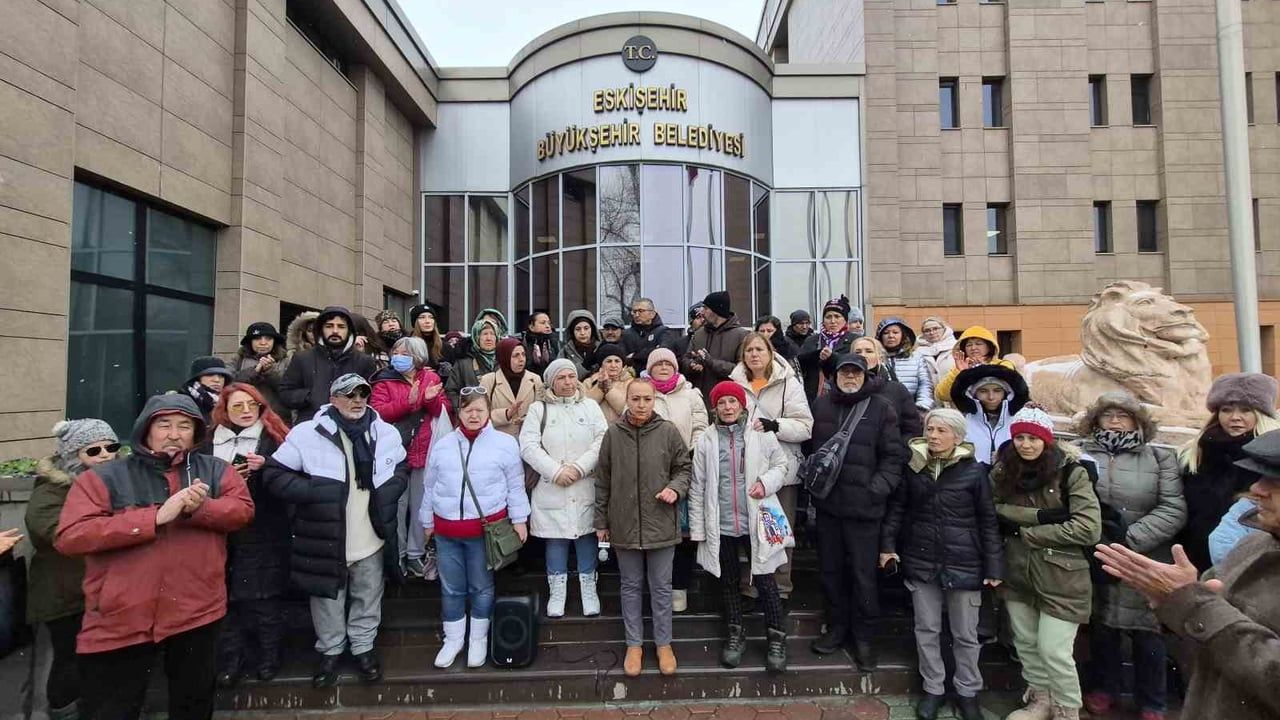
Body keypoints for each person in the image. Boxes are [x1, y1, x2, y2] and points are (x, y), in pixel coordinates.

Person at [55, 394, 253, 720]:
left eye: (184, 426)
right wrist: (154, 518)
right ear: (146, 429)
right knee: (112, 708)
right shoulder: (104, 477)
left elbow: (242, 511)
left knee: (193, 704)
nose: (174, 434)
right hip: (120, 618)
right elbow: (71, 536)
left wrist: (199, 508)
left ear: (196, 432)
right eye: (164, 425)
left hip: (197, 611)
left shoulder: (216, 471)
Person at [1094, 429, 1280, 720]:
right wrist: (1172, 599)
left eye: (1275, 481)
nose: (1257, 489)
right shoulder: (1255, 542)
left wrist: (1197, 606)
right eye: (1260, 476)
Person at [263, 374, 408, 688]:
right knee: (326, 598)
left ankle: (363, 647)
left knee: (368, 594)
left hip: (369, 533)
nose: (357, 400)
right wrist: (313, 491)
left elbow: (400, 467)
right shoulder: (307, 433)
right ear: (333, 398)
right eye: (348, 394)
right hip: (325, 535)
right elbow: (274, 474)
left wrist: (389, 492)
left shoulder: (384, 432)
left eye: (362, 394)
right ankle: (330, 651)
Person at [879, 408, 1001, 720]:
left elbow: (988, 521)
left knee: (965, 634)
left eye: (941, 431)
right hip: (922, 558)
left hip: (965, 561)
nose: (933, 436)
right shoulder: (915, 467)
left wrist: (993, 567)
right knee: (926, 628)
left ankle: (967, 691)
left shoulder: (974, 472)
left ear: (958, 437)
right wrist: (888, 546)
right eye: (930, 429)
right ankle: (933, 688)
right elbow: (898, 509)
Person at [1073, 393, 1186, 720]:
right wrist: (1099, 538)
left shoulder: (1158, 457)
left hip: (1145, 556)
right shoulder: (1082, 452)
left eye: (1124, 415)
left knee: (1147, 631)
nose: (1115, 421)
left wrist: (1130, 539)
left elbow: (1173, 507)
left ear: (1138, 421)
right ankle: (1104, 688)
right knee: (1103, 626)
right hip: (1100, 553)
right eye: (1108, 415)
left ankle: (1153, 700)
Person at [990, 407, 1102, 720]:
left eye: (1033, 438)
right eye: (1020, 438)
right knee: (1026, 643)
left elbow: (1087, 527)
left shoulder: (1071, 472)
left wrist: (1028, 534)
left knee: (1054, 649)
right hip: (1017, 572)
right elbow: (993, 509)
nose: (1026, 444)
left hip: (1061, 575)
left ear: (1046, 440)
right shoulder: (1002, 471)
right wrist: (1040, 517)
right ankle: (1041, 699)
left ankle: (1067, 709)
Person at [808, 353, 905, 670]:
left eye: (856, 373)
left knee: (864, 578)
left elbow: (894, 458)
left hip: (865, 511)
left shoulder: (881, 408)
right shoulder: (821, 406)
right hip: (829, 508)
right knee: (831, 573)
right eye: (844, 373)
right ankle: (837, 629)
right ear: (835, 376)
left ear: (866, 376)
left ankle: (865, 639)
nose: (850, 378)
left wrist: (875, 489)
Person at [423, 387, 530, 669]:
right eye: (468, 409)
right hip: (447, 532)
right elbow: (430, 486)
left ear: (488, 412)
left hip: (484, 532)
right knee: (451, 588)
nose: (474, 415)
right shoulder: (444, 445)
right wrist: (426, 521)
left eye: (479, 410)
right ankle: (454, 639)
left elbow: (515, 486)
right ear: (459, 412)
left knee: (481, 587)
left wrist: (520, 520)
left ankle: (478, 639)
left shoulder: (505, 444)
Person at [689, 381, 791, 673]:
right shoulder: (707, 440)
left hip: (756, 521)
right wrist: (698, 530)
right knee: (729, 581)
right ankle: (735, 634)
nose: (728, 408)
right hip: (721, 523)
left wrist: (765, 483)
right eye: (722, 403)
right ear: (715, 408)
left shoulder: (759, 433)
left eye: (733, 402)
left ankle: (776, 637)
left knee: (766, 580)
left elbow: (781, 465)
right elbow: (698, 486)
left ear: (742, 405)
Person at [594, 379, 692, 677]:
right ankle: (633, 645)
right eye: (635, 399)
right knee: (631, 587)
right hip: (623, 524)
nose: (640, 404)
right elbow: (602, 479)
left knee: (661, 588)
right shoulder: (613, 434)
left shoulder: (668, 431)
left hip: (660, 522)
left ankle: (664, 644)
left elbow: (684, 467)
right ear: (627, 399)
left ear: (654, 400)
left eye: (646, 399)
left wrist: (675, 489)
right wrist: (601, 522)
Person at [25, 419, 118, 720]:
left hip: (100, 588)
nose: (105, 454)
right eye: (94, 449)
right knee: (70, 659)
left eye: (111, 447)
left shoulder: (115, 481)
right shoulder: (51, 490)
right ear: (73, 455)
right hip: (64, 592)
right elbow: (49, 530)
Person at [205, 383, 293, 688]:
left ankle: (269, 657)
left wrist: (266, 469)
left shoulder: (276, 439)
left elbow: (293, 481)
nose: (244, 411)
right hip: (220, 531)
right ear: (224, 410)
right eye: (237, 406)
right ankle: (232, 659)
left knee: (265, 600)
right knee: (227, 601)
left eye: (250, 405)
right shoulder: (209, 442)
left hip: (264, 530)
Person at [520, 359, 609, 617]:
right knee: (556, 538)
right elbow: (528, 445)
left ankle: (588, 590)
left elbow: (602, 440)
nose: (568, 382)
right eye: (562, 378)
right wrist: (556, 471)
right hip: (552, 486)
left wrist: (579, 468)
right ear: (551, 381)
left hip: (584, 484)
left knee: (585, 536)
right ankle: (557, 592)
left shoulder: (590, 406)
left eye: (572, 376)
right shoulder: (538, 409)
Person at [729, 332, 813, 600]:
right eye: (749, 350)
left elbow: (805, 426)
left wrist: (775, 426)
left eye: (759, 350)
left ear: (770, 353)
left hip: (782, 469)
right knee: (749, 528)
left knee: (779, 528)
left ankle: (781, 588)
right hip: (745, 469)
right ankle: (751, 587)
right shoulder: (734, 383)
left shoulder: (788, 383)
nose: (754, 354)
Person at [1176, 372, 1280, 572]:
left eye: (1246, 410)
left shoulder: (1271, 459)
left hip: (1251, 562)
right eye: (1226, 410)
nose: (1235, 418)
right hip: (1194, 555)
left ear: (1260, 414)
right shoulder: (1193, 453)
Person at [370, 336, 451, 579]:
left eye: (403, 352)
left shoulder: (430, 377)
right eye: (395, 351)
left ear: (417, 356)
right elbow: (378, 412)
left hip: (425, 450)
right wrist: (410, 402)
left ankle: (416, 554)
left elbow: (444, 411)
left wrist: (431, 399)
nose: (398, 356)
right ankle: (398, 554)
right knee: (397, 506)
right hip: (394, 454)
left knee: (420, 507)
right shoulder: (383, 381)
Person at [646, 347, 709, 612]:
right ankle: (656, 590)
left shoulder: (691, 394)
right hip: (650, 471)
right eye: (657, 364)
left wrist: (686, 453)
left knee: (683, 534)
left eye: (667, 364)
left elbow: (701, 427)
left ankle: (679, 588)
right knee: (655, 533)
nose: (663, 367)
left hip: (685, 469)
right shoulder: (642, 393)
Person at [279, 306, 378, 421]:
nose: (335, 331)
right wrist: (309, 396)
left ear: (349, 330)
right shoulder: (302, 358)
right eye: (329, 326)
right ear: (321, 329)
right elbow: (285, 392)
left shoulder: (364, 361)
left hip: (351, 428)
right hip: (311, 426)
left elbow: (373, 397)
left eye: (341, 327)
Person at [948, 364, 1030, 465]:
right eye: (983, 391)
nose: (991, 397)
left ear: (1006, 393)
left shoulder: (1020, 420)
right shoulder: (962, 422)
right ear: (973, 394)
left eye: (997, 390)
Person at [851, 336, 925, 441]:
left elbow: (912, 429)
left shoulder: (897, 390)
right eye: (857, 352)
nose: (863, 356)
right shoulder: (841, 389)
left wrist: (900, 450)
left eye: (869, 351)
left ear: (880, 358)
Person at [683, 291, 751, 401]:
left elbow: (742, 370)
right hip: (699, 401)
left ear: (716, 310)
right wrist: (692, 364)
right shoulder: (699, 334)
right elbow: (685, 359)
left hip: (727, 402)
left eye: (706, 308)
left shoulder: (742, 336)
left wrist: (711, 362)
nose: (703, 313)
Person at [933, 326, 1015, 407]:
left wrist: (984, 368)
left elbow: (1008, 387)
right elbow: (942, 395)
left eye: (978, 344)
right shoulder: (959, 368)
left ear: (989, 346)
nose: (973, 348)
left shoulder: (1003, 364)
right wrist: (959, 373)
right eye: (969, 345)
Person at [798, 295, 859, 402]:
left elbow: (856, 365)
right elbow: (799, 365)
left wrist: (832, 357)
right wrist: (816, 355)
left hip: (845, 395)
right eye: (828, 317)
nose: (833, 321)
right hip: (813, 397)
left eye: (837, 316)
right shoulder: (812, 340)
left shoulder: (855, 340)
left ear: (845, 320)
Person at [480, 337, 544, 440]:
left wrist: (526, 419)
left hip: (528, 442)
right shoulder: (489, 381)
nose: (521, 359)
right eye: (515, 356)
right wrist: (506, 414)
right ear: (504, 357)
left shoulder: (535, 380)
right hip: (498, 442)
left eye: (523, 354)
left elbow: (541, 413)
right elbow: (481, 415)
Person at [232, 321, 290, 421]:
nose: (263, 343)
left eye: (268, 339)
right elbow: (230, 385)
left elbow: (288, 389)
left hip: (278, 418)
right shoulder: (238, 359)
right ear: (250, 341)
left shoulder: (286, 360)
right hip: (245, 417)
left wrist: (270, 371)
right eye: (257, 338)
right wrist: (255, 370)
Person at [446, 312, 504, 410]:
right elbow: (451, 391)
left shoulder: (504, 360)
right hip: (472, 416)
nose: (489, 338)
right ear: (476, 337)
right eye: (484, 334)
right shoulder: (463, 363)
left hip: (501, 417)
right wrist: (464, 409)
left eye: (492, 334)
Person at [876, 317, 934, 412]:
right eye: (886, 333)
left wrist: (922, 407)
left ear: (903, 335)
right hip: (883, 410)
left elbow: (925, 384)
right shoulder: (875, 358)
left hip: (912, 409)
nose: (890, 336)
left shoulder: (916, 357)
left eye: (895, 332)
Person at [621, 297, 675, 373]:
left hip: (655, 377)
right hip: (631, 377)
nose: (636, 315)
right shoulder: (626, 334)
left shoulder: (663, 332)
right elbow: (622, 357)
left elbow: (661, 353)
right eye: (634, 311)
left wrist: (634, 356)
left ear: (652, 314)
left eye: (640, 311)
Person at [583, 342, 633, 424]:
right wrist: (600, 386)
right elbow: (584, 408)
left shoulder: (630, 382)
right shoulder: (589, 382)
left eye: (617, 361)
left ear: (622, 364)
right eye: (609, 361)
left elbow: (626, 410)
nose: (613, 365)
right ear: (601, 364)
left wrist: (608, 388)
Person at [182, 356, 234, 423]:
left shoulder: (231, 402)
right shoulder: (184, 403)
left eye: (221, 376)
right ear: (197, 378)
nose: (217, 380)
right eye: (210, 375)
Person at [408, 303, 453, 371]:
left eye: (431, 317)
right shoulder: (406, 345)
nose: (427, 321)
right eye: (422, 317)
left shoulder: (445, 347)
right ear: (415, 322)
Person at [558, 309, 600, 379]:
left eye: (586, 328)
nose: (582, 333)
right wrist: (584, 366)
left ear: (592, 329)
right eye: (578, 329)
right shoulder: (565, 351)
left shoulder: (602, 348)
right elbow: (559, 376)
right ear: (572, 331)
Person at [916, 316, 957, 387]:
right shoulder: (917, 353)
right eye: (927, 330)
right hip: (927, 395)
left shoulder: (957, 347)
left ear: (944, 329)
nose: (932, 332)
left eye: (935, 329)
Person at [522, 310, 560, 378]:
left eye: (549, 323)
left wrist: (548, 361)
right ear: (531, 327)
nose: (547, 326)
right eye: (543, 323)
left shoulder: (557, 343)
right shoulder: (524, 344)